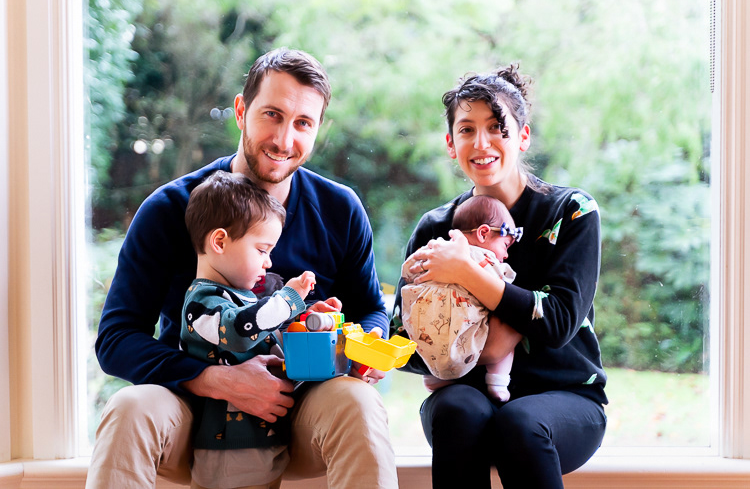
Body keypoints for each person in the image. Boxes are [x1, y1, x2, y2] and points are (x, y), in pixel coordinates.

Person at [87, 48, 398, 489]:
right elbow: (116, 340)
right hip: (192, 414)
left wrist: (361, 346)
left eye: (303, 123)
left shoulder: (341, 209)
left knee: (359, 402)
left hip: (303, 409)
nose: (284, 140)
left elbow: (371, 310)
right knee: (128, 408)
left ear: (317, 129)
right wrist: (214, 380)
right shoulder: (169, 209)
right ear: (240, 110)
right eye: (272, 114)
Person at [392, 64, 607, 489]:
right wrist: (480, 352)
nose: (481, 142)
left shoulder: (572, 211)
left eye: (496, 127)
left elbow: (558, 323)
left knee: (520, 423)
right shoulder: (435, 229)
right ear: (451, 144)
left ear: (522, 137)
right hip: (465, 398)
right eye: (467, 130)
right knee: (457, 410)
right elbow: (403, 340)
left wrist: (466, 273)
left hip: (566, 399)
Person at [181, 170, 317, 489]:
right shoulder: (203, 302)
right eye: (261, 250)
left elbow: (266, 334)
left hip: (260, 437)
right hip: (229, 449)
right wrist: (289, 298)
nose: (268, 263)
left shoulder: (243, 298)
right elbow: (240, 331)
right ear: (219, 242)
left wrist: (307, 320)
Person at [399, 195, 522, 401]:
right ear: (483, 233)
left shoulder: (437, 249)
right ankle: (498, 381)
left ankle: (433, 376)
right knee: (511, 319)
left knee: (433, 332)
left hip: (424, 329)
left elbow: (408, 270)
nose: (506, 255)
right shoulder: (487, 260)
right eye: (505, 245)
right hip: (464, 334)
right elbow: (503, 290)